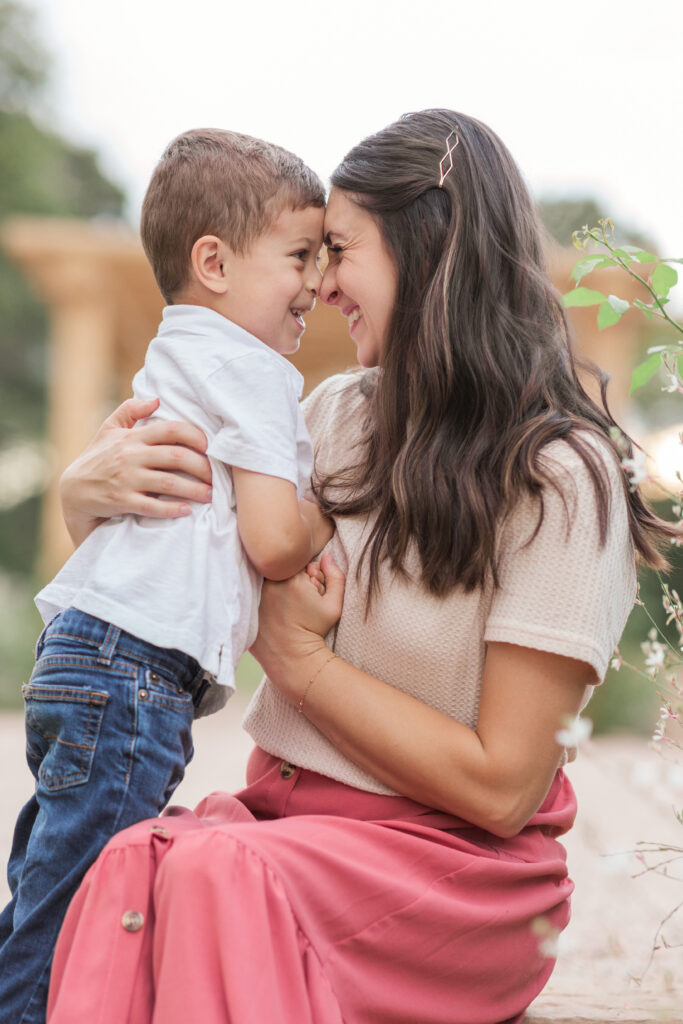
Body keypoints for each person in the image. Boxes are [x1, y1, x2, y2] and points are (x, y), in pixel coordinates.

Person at [46, 109, 672, 1024]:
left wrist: (302, 664)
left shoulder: (561, 480)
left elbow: (502, 787)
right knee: (127, 864)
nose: (319, 283)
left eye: (336, 250)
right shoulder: (335, 413)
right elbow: (186, 551)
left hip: (450, 877)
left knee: (212, 873)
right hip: (281, 827)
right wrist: (82, 500)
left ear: (430, 251)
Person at [0, 128, 333, 1024]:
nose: (314, 283)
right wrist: (326, 519)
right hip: (132, 672)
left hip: (85, 654)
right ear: (215, 262)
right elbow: (272, 542)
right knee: (80, 908)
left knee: (44, 882)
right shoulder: (255, 369)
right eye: (300, 254)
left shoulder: (179, 349)